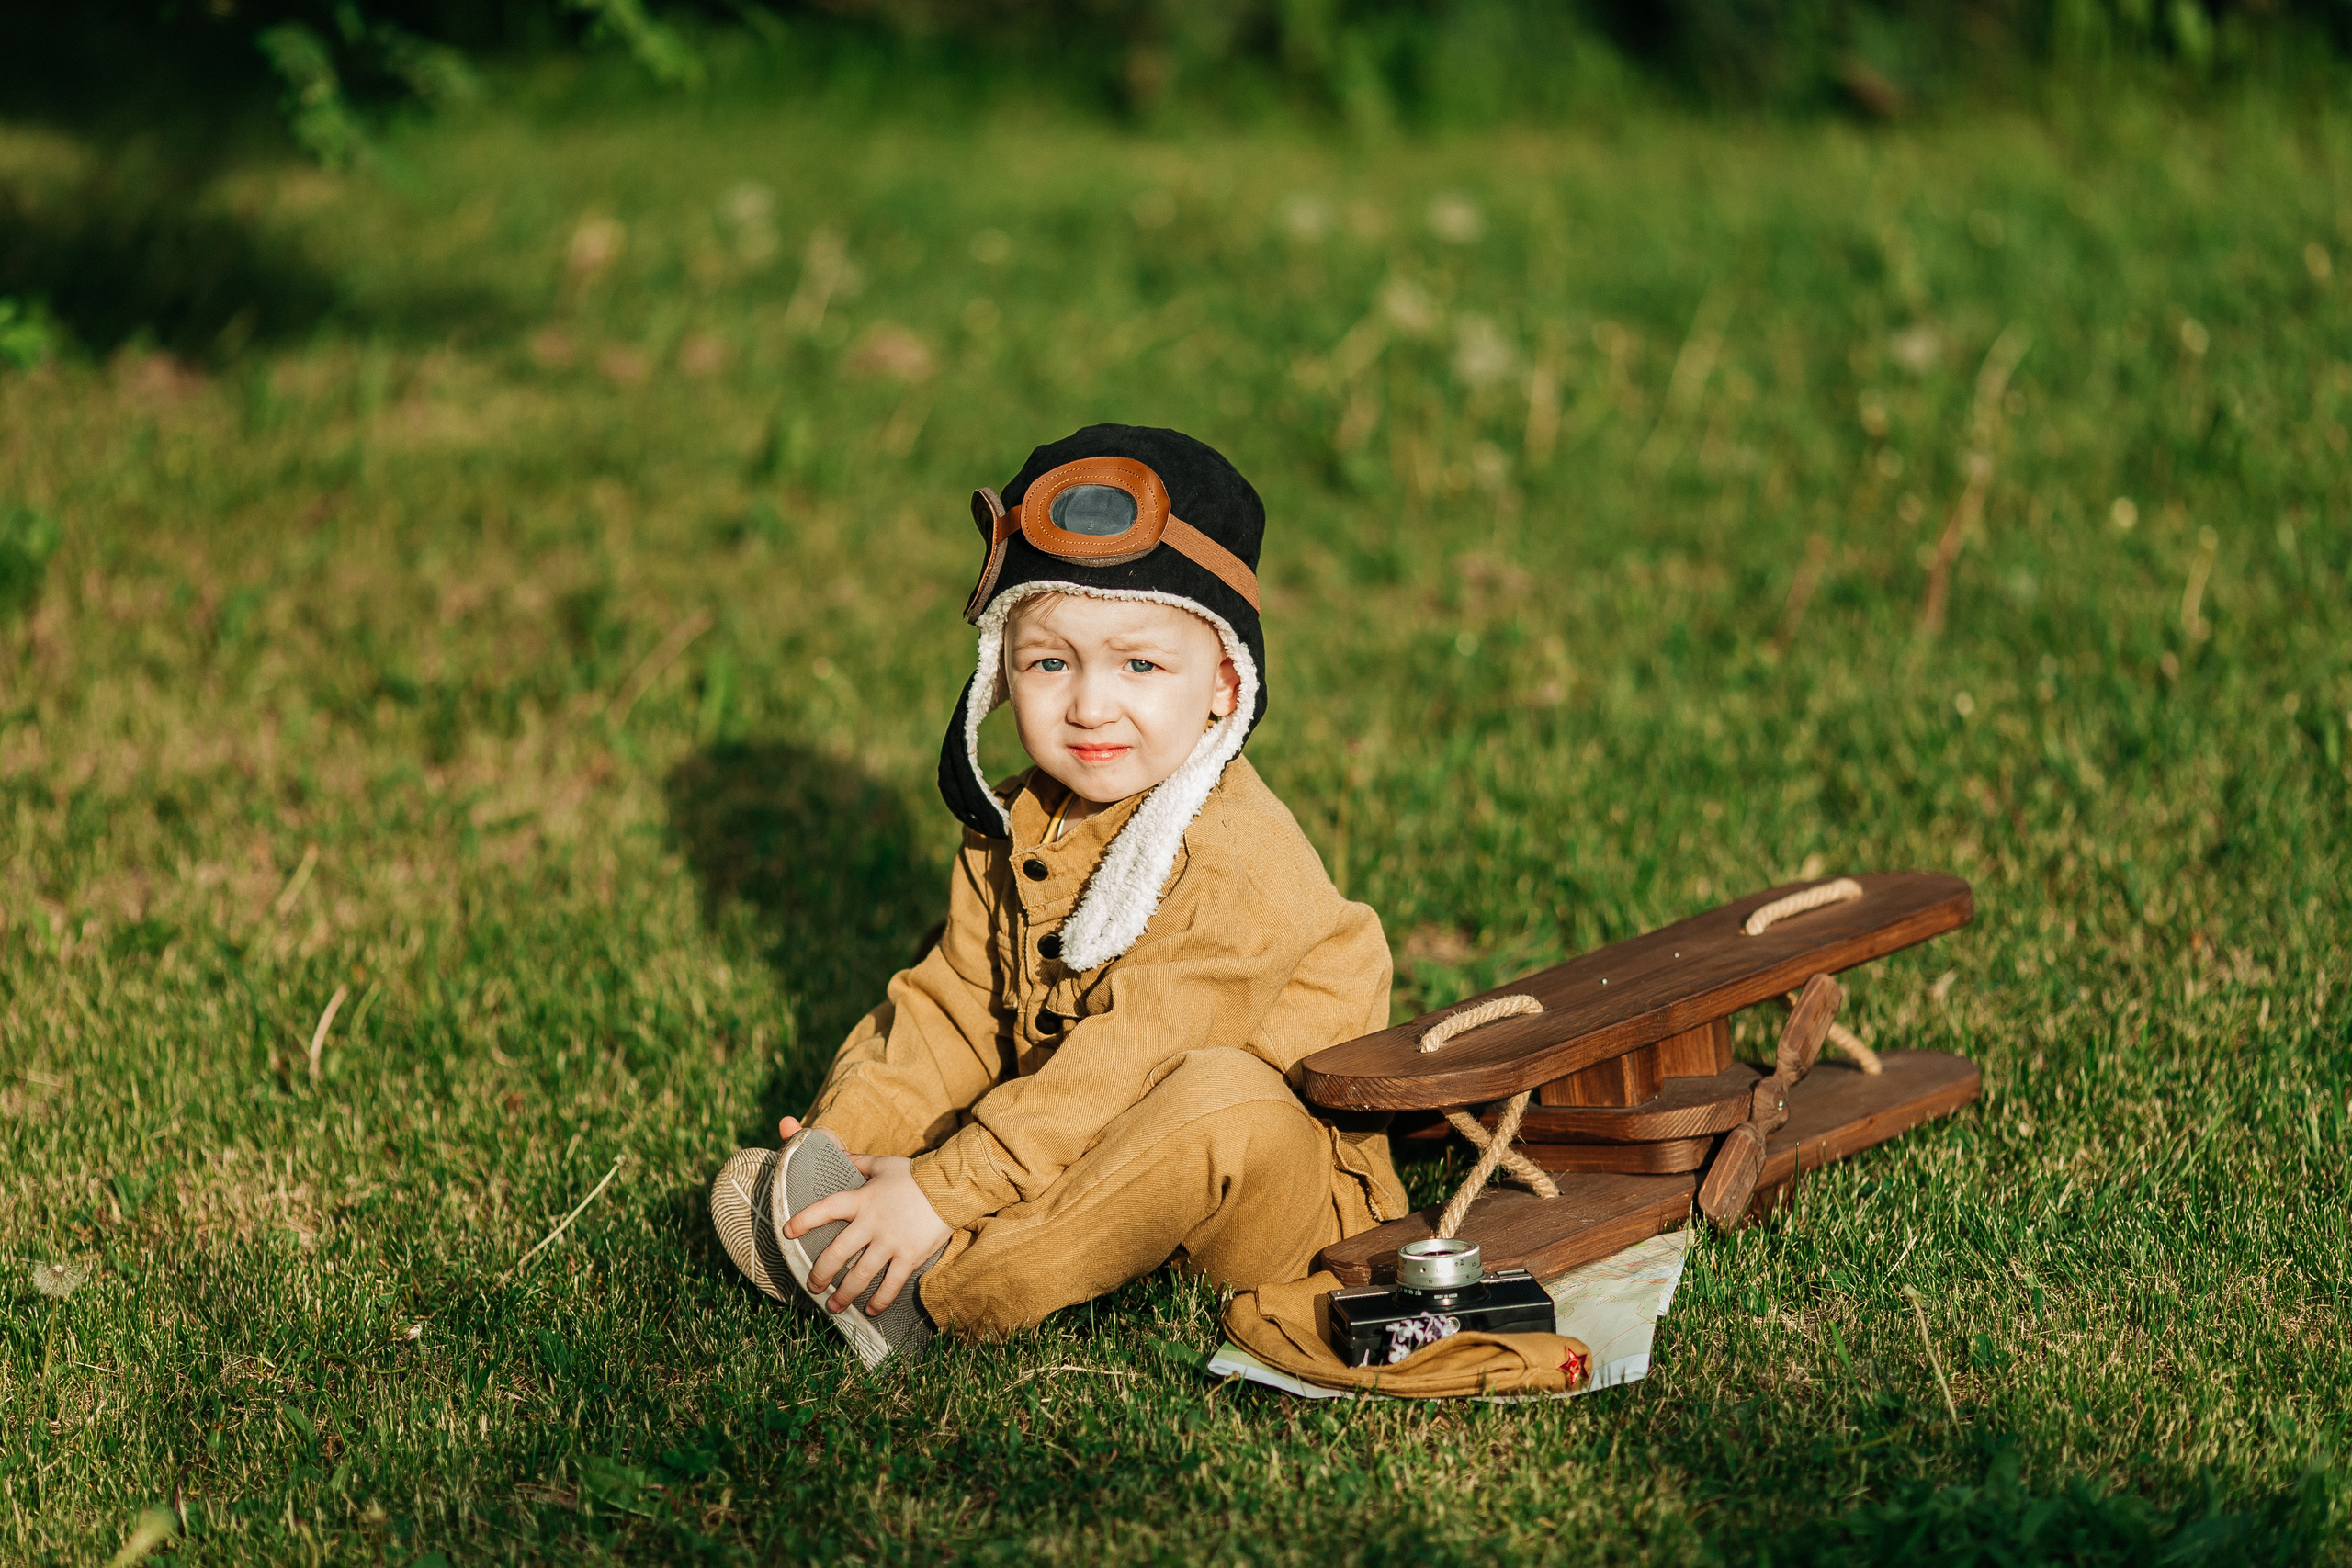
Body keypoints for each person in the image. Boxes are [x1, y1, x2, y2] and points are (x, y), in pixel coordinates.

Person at [709, 424, 1407, 1368]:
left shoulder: (1240, 861)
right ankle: (837, 1204)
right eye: (1050, 662)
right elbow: (955, 1007)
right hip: (1086, 1142)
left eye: (1139, 665)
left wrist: (944, 1190)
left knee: (1217, 1101)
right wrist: (848, 1131)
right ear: (1002, 670)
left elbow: (1126, 1064)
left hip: (1278, 1204)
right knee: (935, 1007)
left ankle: (939, 1289)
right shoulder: (1019, 825)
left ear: (1223, 682)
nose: (1088, 705)